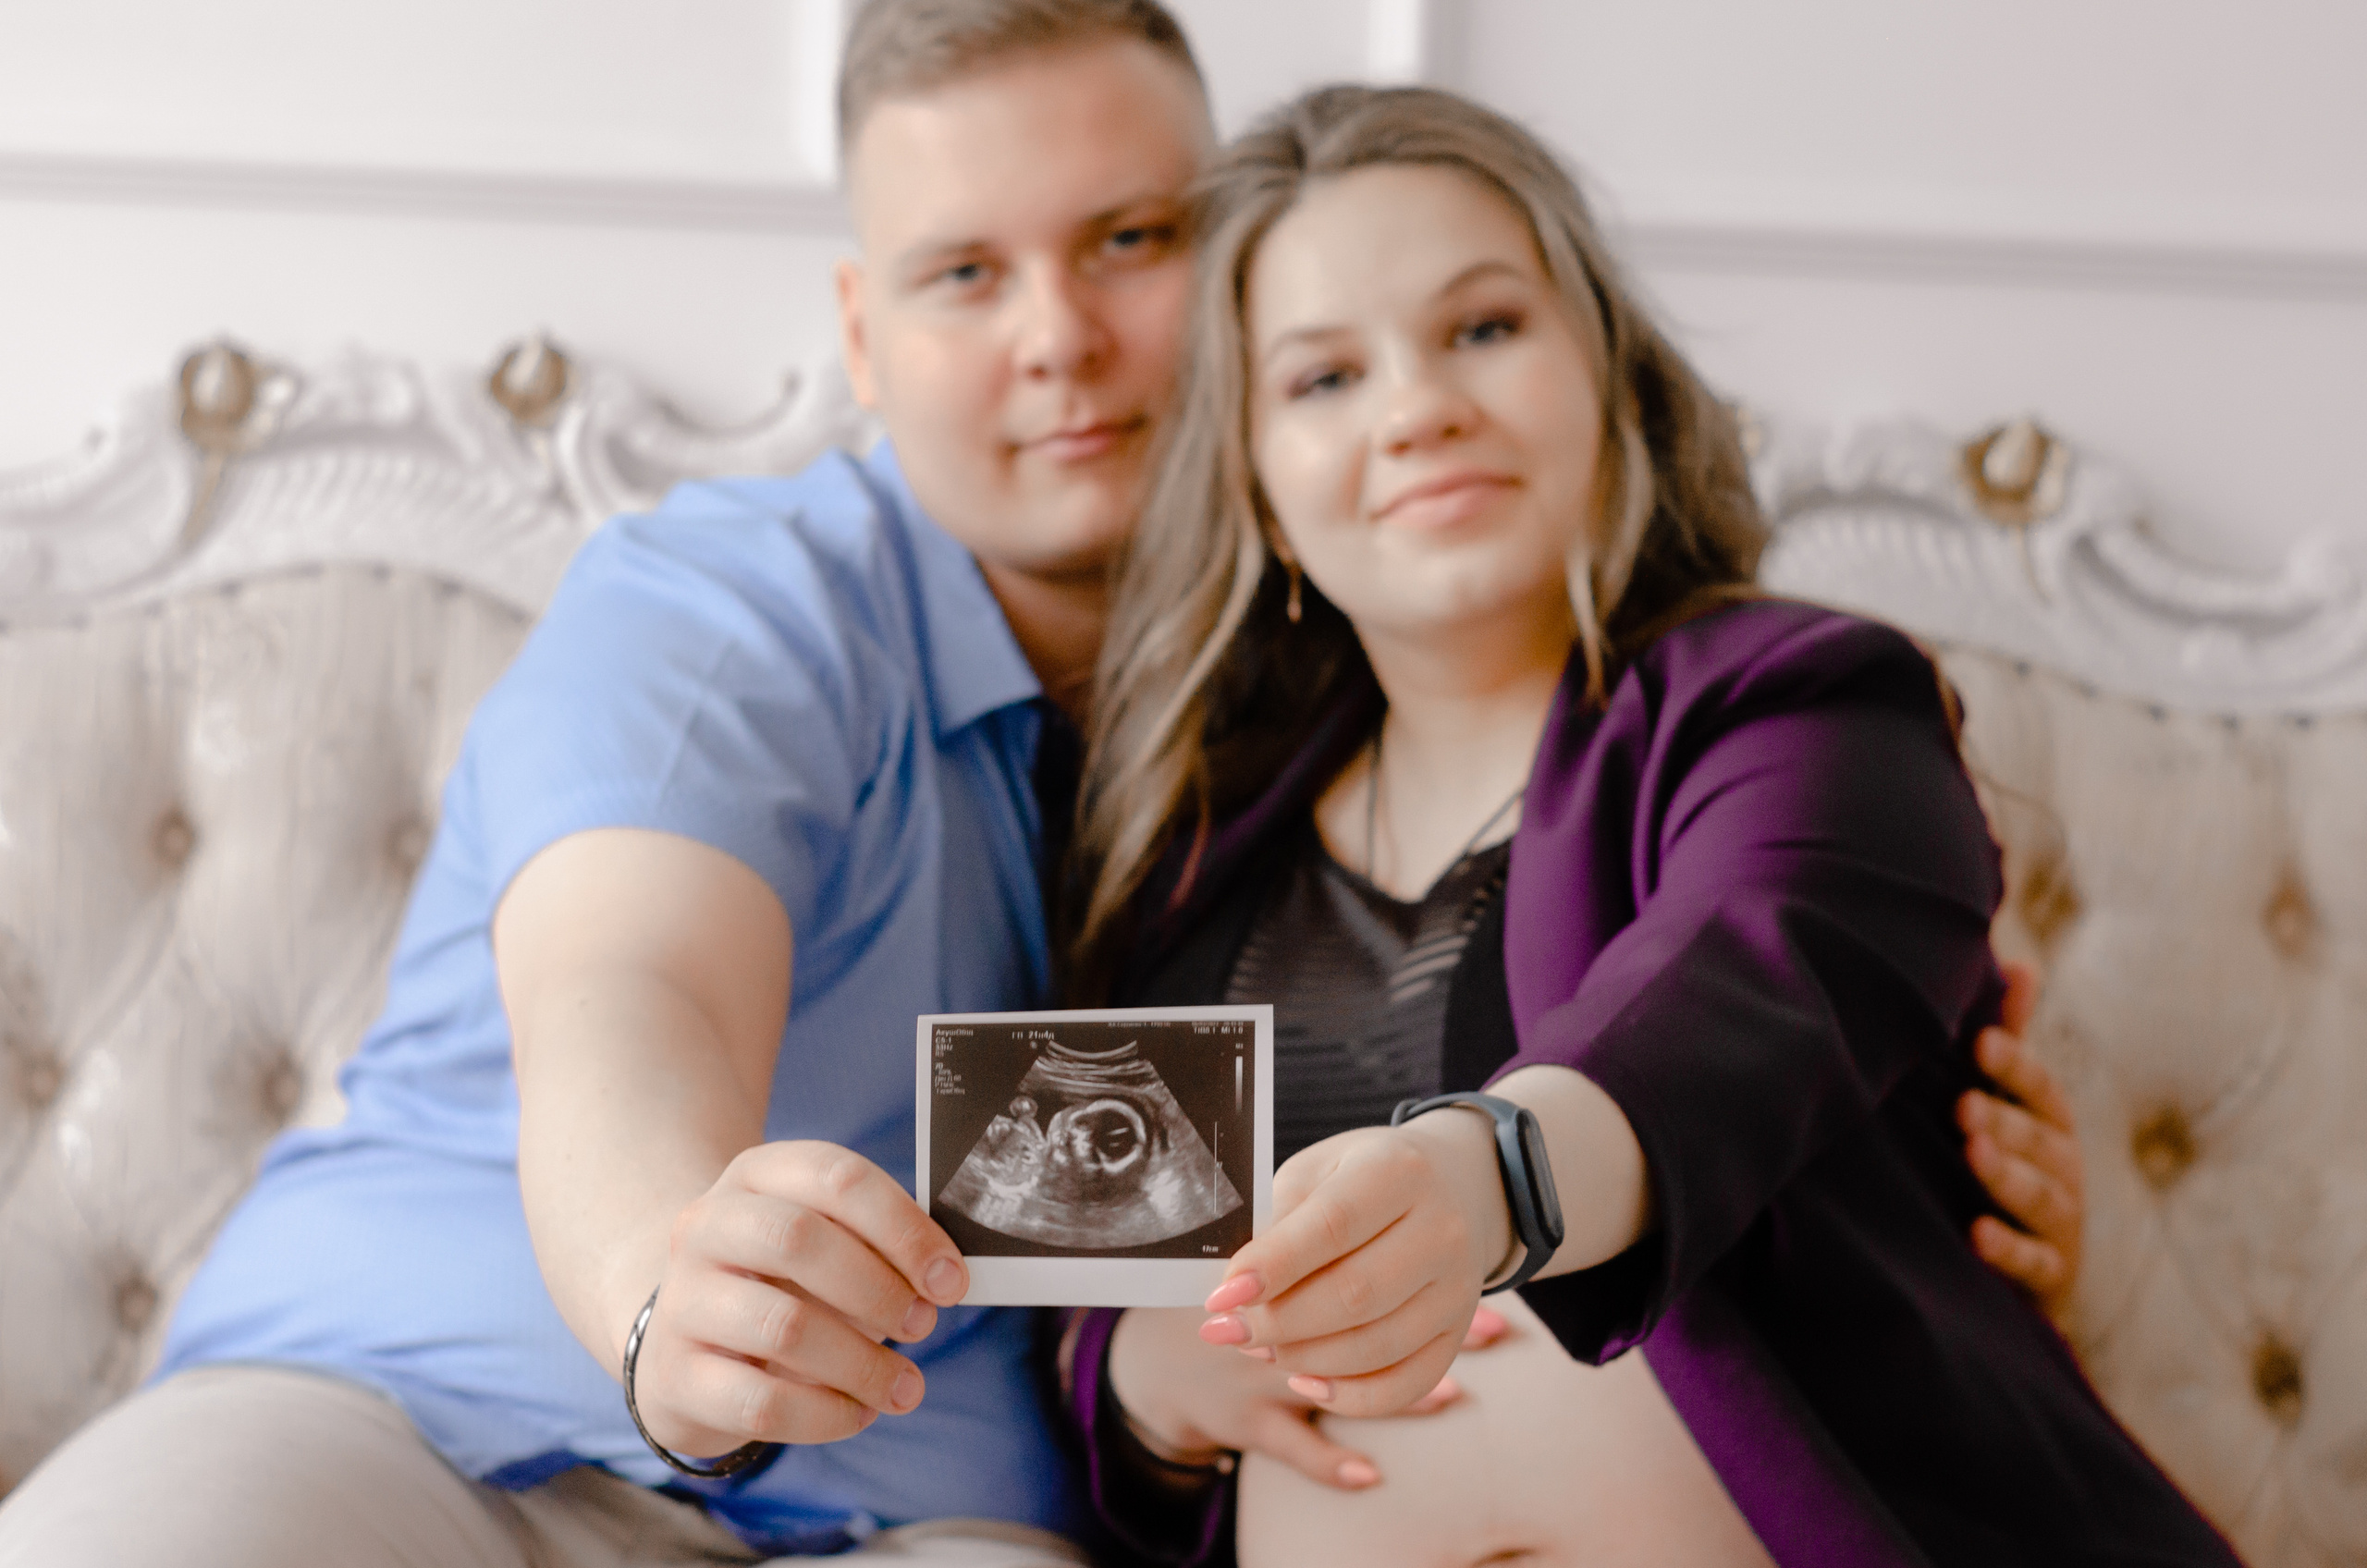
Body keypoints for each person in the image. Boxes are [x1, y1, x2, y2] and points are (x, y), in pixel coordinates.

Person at [0, 6, 2081, 1565]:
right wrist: (666, 1284)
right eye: (962, 273)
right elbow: (629, 989)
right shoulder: (755, 612)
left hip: (932, 1524)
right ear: (862, 327)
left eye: (1129, 238)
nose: (1061, 340)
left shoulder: (1254, 770)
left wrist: (1868, 1169)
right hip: (420, 1419)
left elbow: (1743, 980)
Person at [1055, 84, 2228, 1567]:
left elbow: (1755, 986)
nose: (1420, 407)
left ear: (1607, 376)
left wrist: (1484, 1181)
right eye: (1324, 379)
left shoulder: (1804, 705)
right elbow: (1085, 1276)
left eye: (1484, 328)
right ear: (1263, 499)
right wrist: (1144, 1388)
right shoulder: (1191, 857)